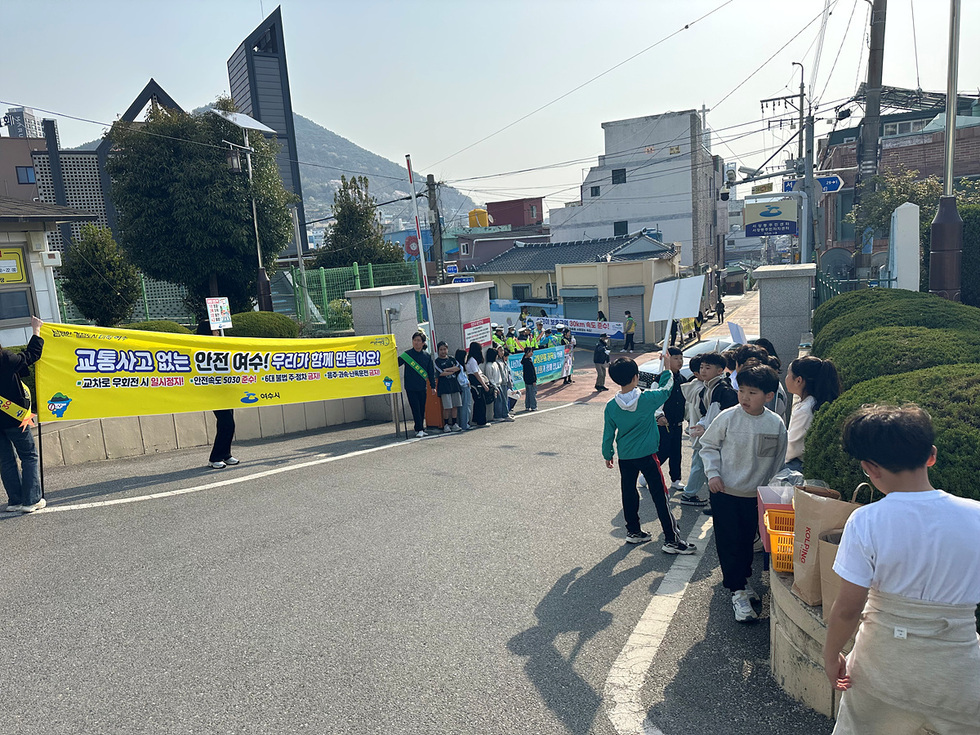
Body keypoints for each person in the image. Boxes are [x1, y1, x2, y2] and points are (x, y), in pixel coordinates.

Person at [824, 404, 980, 735]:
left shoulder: (866, 522)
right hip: (959, 671)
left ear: (870, 468)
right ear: (932, 455)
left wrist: (831, 654)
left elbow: (848, 610)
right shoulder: (976, 516)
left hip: (884, 668)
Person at [699, 363, 788, 622]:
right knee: (729, 542)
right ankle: (737, 591)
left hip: (755, 496)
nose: (745, 398)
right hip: (725, 492)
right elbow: (708, 445)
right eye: (742, 391)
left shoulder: (775, 424)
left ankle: (742, 580)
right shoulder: (727, 417)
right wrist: (712, 474)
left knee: (748, 542)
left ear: (769, 396)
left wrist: (771, 491)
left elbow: (778, 461)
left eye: (753, 393)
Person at [602, 357, 696, 553]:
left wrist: (608, 453)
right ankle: (671, 539)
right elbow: (667, 388)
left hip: (625, 456)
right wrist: (668, 369)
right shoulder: (647, 399)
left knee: (628, 492)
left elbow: (608, 433)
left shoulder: (611, 406)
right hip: (647, 454)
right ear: (636, 377)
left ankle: (633, 531)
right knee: (660, 495)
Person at [678, 352, 738, 508]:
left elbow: (718, 416)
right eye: (702, 367)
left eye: (708, 367)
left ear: (719, 370)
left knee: (709, 466)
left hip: (718, 438)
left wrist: (705, 427)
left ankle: (712, 501)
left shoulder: (721, 389)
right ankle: (712, 500)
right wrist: (703, 425)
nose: (703, 370)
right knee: (707, 466)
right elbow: (709, 414)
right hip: (709, 436)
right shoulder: (708, 387)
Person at [1, 316, 45, 514]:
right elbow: (31, 355)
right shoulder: (5, 359)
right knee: (28, 456)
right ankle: (31, 500)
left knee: (5, 461)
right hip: (14, 417)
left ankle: (15, 500)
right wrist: (36, 330)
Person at [784, 355, 841, 471]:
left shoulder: (805, 410)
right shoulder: (815, 402)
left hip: (800, 467)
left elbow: (791, 450)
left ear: (798, 380)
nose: (786, 378)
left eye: (788, 375)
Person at [655, 347, 689, 492]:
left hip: (677, 422)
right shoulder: (660, 379)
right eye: (675, 358)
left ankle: (676, 479)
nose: (679, 361)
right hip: (663, 423)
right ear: (667, 360)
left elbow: (686, 403)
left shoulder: (683, 380)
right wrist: (659, 415)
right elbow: (655, 400)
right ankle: (649, 473)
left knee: (676, 452)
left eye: (681, 358)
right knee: (664, 450)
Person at [398, 331, 436, 438]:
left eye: (419, 340)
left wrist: (433, 386)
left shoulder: (427, 356)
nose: (416, 343)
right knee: (415, 408)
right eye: (414, 340)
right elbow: (396, 363)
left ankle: (420, 428)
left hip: (422, 386)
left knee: (421, 407)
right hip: (410, 386)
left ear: (423, 343)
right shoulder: (407, 354)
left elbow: (431, 372)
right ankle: (419, 428)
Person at [434, 341, 463, 433]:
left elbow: (458, 367)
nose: (443, 351)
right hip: (444, 387)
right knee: (447, 407)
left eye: (444, 349)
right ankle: (446, 424)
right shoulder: (437, 361)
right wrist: (452, 370)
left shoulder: (452, 359)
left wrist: (447, 369)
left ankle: (454, 423)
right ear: (438, 351)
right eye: (441, 350)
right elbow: (440, 373)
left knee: (455, 406)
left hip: (454, 385)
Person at [484, 346, 514, 423]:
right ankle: (498, 415)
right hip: (496, 385)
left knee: (503, 400)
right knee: (498, 401)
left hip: (500, 383)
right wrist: (495, 386)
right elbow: (490, 377)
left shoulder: (496, 363)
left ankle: (504, 414)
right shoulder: (489, 365)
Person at [465, 341, 491, 427]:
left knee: (477, 402)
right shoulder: (472, 360)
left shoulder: (471, 359)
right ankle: (481, 421)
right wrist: (484, 385)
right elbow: (476, 374)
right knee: (480, 402)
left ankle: (476, 419)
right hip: (476, 383)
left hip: (475, 382)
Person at [454, 348, 472, 431]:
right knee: (465, 406)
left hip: (465, 387)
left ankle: (466, 423)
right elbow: (460, 379)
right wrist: (466, 382)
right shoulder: (459, 366)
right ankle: (464, 424)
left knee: (466, 406)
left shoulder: (460, 365)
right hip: (464, 387)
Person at [521, 346, 538, 411]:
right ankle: (533, 406)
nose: (532, 353)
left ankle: (527, 406)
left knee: (528, 394)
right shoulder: (528, 361)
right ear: (527, 352)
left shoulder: (525, 360)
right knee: (532, 393)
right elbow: (531, 372)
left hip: (526, 380)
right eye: (531, 352)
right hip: (530, 380)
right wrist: (534, 380)